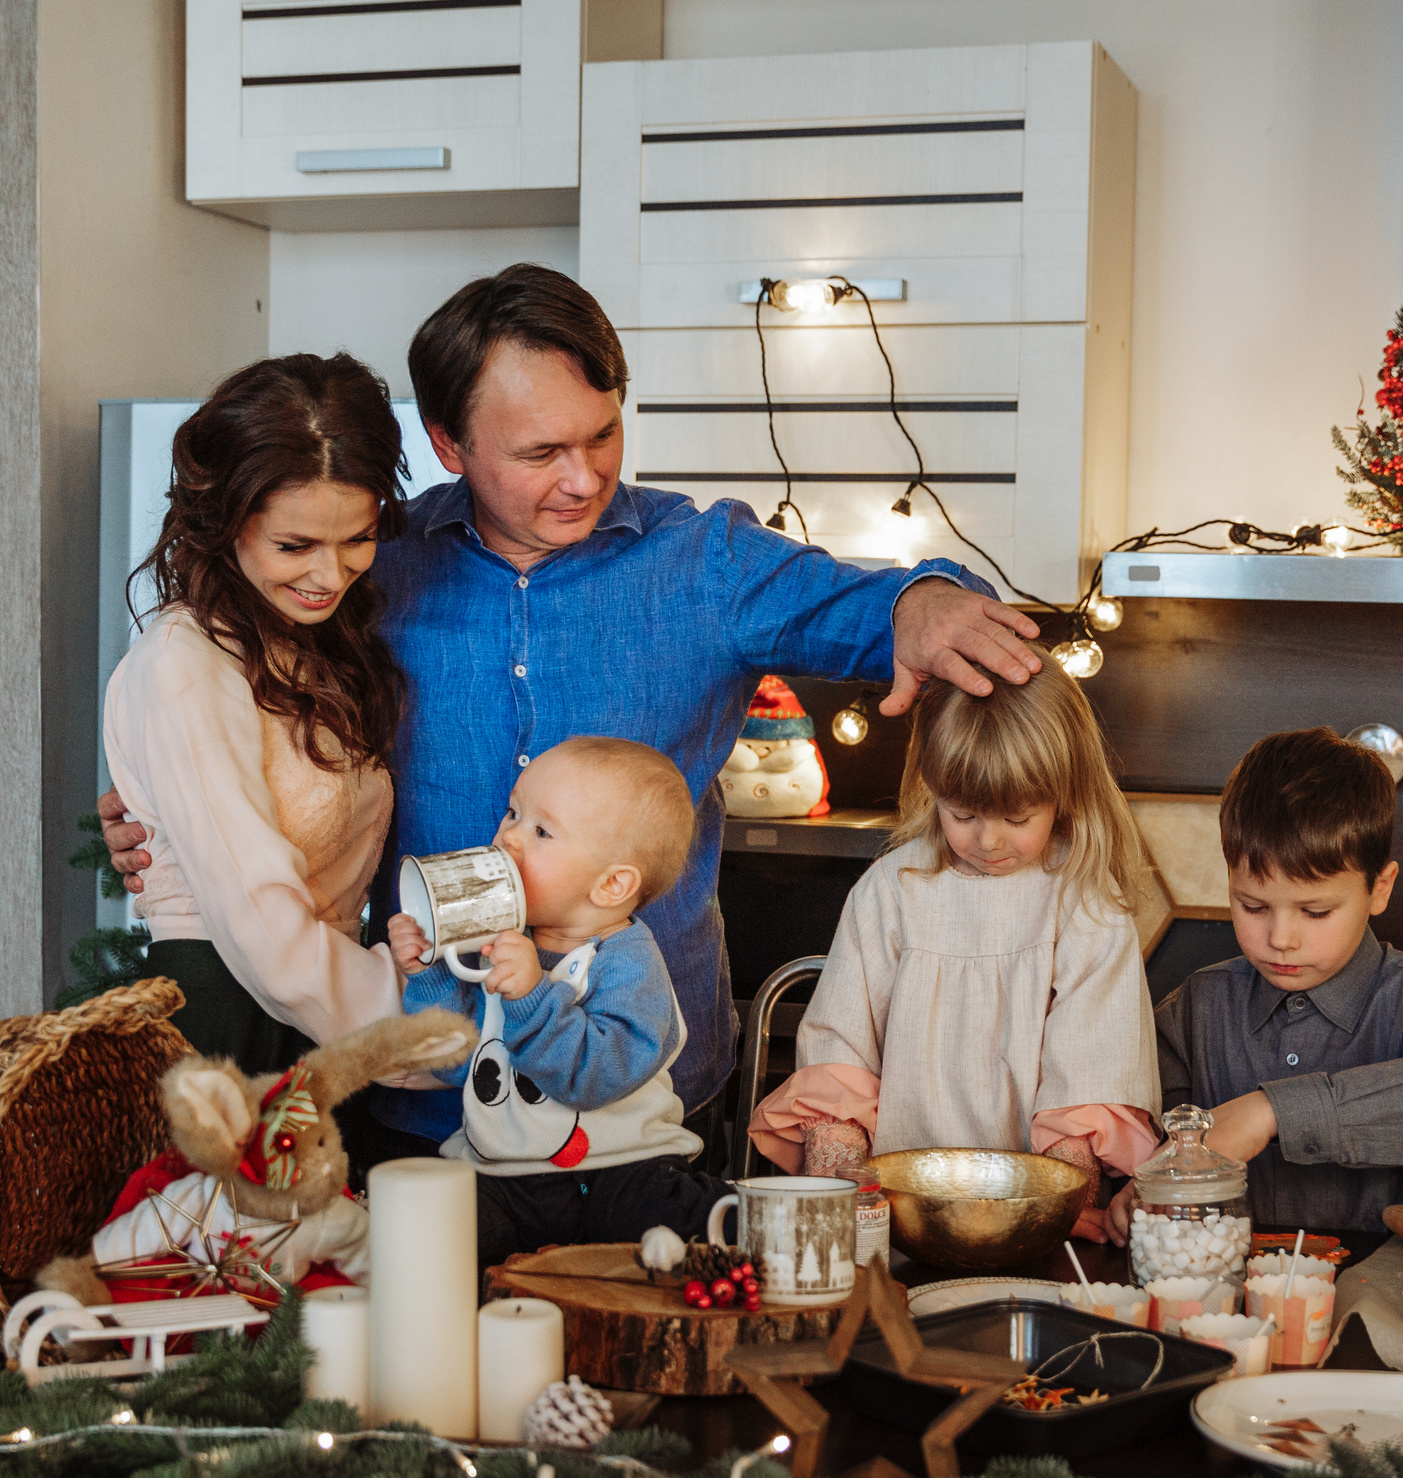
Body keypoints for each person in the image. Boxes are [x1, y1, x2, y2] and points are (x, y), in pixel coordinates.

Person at [102, 265, 1042, 1146]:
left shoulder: (701, 562)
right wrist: (162, 825)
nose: (584, 477)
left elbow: (862, 606)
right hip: (424, 1104)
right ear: (447, 444)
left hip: (643, 1099)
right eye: (541, 451)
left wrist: (924, 601)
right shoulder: (370, 565)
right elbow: (250, 727)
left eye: (603, 434)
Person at [747, 665, 1159, 1240]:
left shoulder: (1086, 904)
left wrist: (1056, 1209)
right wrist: (837, 1187)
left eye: (1018, 818)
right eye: (963, 814)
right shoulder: (892, 889)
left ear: (1065, 795)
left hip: (1030, 1220)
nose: (988, 841)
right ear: (933, 787)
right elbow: (842, 1054)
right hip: (896, 1215)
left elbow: (1086, 1082)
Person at [102, 353, 411, 1075]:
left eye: (357, 539)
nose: (330, 575)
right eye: (294, 545)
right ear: (222, 520)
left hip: (317, 1017)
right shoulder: (186, 662)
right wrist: (430, 1028)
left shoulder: (311, 641)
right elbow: (264, 934)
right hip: (231, 1023)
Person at [1110, 728, 1403, 1245]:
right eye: (1253, 906)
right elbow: (1145, 1145)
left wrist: (1271, 1111)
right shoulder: (1196, 1008)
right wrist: (1138, 1189)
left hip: (1386, 1304)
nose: (1281, 939)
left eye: (1315, 911)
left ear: (1379, 889)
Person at [386, 737, 726, 1262]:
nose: (510, 838)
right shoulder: (504, 944)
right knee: (439, 1234)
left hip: (622, 1169)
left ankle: (770, 1225)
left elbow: (594, 1078)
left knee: (684, 1225)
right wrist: (428, 973)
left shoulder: (628, 962)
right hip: (502, 1177)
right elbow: (459, 1065)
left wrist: (530, 993)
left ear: (612, 885)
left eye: (541, 831)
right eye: (513, 813)